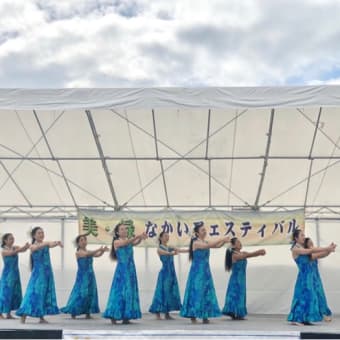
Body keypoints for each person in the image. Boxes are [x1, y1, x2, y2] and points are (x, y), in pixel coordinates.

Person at [180, 223, 229, 324]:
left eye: (205, 230)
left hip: (206, 270)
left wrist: (224, 241)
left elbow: (217, 246)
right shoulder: (195, 243)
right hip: (197, 271)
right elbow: (209, 245)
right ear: (197, 233)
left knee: (206, 292)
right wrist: (222, 239)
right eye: (202, 230)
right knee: (197, 291)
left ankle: (204, 315)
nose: (205, 231)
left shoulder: (205, 241)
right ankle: (193, 314)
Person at [287, 229, 336, 325]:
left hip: (309, 278)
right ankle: (297, 319)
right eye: (302, 235)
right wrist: (327, 248)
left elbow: (318, 254)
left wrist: (328, 251)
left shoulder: (304, 251)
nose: (303, 237)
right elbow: (312, 250)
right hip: (303, 278)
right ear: (296, 238)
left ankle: (305, 318)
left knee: (310, 297)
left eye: (304, 235)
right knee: (302, 297)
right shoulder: (295, 249)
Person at [16, 226, 63, 323]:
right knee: (33, 293)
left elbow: (51, 244)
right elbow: (39, 246)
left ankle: (41, 317)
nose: (41, 234)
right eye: (39, 233)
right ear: (34, 235)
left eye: (42, 233)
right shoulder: (33, 246)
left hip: (47, 273)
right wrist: (47, 243)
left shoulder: (45, 244)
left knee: (44, 294)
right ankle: (24, 314)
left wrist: (57, 243)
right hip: (38, 275)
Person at [103, 223, 147, 324]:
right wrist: (137, 236)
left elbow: (135, 242)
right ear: (117, 232)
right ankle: (114, 316)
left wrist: (141, 238)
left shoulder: (128, 241)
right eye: (122, 229)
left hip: (131, 270)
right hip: (122, 271)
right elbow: (127, 243)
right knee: (120, 292)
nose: (124, 231)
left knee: (129, 292)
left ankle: (126, 316)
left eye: (125, 229)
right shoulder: (116, 242)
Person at [61, 234, 109, 319]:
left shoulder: (88, 251)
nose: (84, 242)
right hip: (82, 276)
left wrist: (102, 251)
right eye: (81, 240)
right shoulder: (79, 252)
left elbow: (97, 255)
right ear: (78, 243)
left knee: (90, 293)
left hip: (90, 275)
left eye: (85, 240)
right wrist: (99, 249)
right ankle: (74, 311)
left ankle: (88, 312)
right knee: (81, 293)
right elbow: (87, 254)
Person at [222, 237, 266, 320]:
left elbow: (250, 254)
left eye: (240, 242)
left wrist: (259, 253)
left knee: (241, 295)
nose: (240, 243)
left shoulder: (242, 253)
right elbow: (247, 255)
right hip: (236, 279)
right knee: (236, 295)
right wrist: (258, 252)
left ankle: (238, 313)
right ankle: (233, 312)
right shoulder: (234, 255)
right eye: (238, 242)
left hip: (242, 279)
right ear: (233, 245)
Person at [149, 231, 188, 320]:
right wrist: (172, 253)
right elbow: (165, 253)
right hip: (164, 274)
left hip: (171, 273)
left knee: (169, 292)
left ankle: (167, 313)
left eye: (168, 236)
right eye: (165, 236)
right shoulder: (159, 248)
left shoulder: (169, 247)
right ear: (161, 238)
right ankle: (157, 313)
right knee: (162, 292)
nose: (167, 238)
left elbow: (179, 250)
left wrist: (190, 250)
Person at [0, 233, 30, 319]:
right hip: (7, 275)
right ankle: (0, 313)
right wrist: (22, 248)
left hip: (15, 273)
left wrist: (26, 247)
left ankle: (8, 314)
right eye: (10, 239)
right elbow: (12, 253)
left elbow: (22, 250)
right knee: (5, 294)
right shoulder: (3, 251)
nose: (12, 240)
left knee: (13, 293)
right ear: (5, 241)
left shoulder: (15, 247)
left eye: (13, 238)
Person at [303, 237, 332, 322]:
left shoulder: (313, 252)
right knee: (313, 297)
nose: (312, 244)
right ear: (306, 245)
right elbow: (320, 254)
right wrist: (328, 249)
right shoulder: (308, 254)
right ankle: (316, 314)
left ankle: (323, 313)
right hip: (309, 279)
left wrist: (329, 250)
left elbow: (323, 254)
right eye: (309, 243)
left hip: (316, 277)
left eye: (312, 242)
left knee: (320, 295)